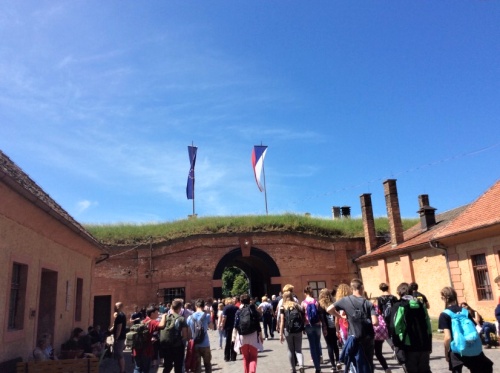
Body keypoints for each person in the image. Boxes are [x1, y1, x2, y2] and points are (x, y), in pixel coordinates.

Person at [328, 278, 378, 373]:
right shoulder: (368, 303)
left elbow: (329, 309)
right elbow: (375, 322)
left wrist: (339, 316)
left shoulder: (345, 300)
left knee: (356, 361)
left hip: (355, 336)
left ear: (352, 288)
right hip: (368, 337)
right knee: (369, 362)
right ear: (362, 288)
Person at [439, 287, 493, 373]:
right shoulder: (465, 311)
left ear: (444, 298)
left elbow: (448, 337)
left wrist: (446, 353)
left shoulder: (444, 314)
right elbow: (476, 328)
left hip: (456, 350)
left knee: (456, 370)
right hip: (470, 345)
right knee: (485, 366)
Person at [391, 282, 432, 373]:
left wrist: (397, 344)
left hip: (409, 344)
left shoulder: (399, 305)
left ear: (399, 293)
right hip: (424, 343)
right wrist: (429, 343)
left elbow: (395, 326)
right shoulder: (421, 305)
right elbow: (428, 325)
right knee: (425, 370)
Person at [233, 293, 264, 373]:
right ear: (249, 300)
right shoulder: (253, 310)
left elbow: (235, 325)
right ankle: (252, 370)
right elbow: (258, 325)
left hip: (242, 337)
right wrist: (261, 336)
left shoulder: (238, 311)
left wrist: (233, 337)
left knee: (245, 357)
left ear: (240, 301)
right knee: (253, 357)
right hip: (253, 335)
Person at [132, 306, 167, 373]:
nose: (158, 314)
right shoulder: (152, 321)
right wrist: (164, 316)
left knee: (137, 368)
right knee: (145, 369)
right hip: (146, 350)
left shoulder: (143, 321)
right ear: (152, 313)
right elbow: (161, 325)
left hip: (137, 348)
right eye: (157, 312)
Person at [280, 291, 305, 373]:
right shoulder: (297, 305)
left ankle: (293, 369)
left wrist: (281, 334)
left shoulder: (283, 307)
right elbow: (303, 315)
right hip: (298, 329)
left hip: (287, 330)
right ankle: (301, 365)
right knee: (298, 349)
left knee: (290, 349)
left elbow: (282, 321)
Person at [160, 300, 189, 373]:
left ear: (171, 307)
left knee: (167, 366)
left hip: (166, 345)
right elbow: (185, 335)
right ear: (179, 308)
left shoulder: (164, 317)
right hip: (177, 346)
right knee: (178, 367)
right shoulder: (181, 319)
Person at [318, 288, 341, 372]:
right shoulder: (333, 303)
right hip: (334, 326)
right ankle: (338, 361)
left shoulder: (320, 305)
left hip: (325, 328)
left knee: (329, 346)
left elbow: (320, 317)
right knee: (335, 345)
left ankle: (333, 366)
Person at [301, 286, 322, 373]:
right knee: (317, 344)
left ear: (305, 293)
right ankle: (319, 363)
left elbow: (302, 315)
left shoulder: (303, 303)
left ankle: (317, 367)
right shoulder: (316, 302)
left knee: (312, 345)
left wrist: (303, 327)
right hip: (317, 325)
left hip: (308, 325)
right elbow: (320, 313)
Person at [188, 299, 212, 373]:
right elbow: (212, 327)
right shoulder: (207, 316)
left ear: (195, 306)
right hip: (205, 344)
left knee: (197, 366)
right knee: (207, 365)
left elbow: (188, 332)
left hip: (195, 344)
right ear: (203, 306)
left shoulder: (190, 317)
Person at [371, 299, 391, 373]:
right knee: (378, 353)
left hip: (373, 333)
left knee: (370, 354)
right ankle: (386, 368)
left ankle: (371, 369)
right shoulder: (380, 309)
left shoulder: (370, 309)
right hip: (381, 333)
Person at [220, 297, 238, 362]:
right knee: (234, 341)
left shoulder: (226, 308)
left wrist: (222, 325)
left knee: (227, 342)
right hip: (235, 326)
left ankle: (227, 357)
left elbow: (224, 317)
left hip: (227, 326)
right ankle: (233, 357)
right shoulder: (236, 308)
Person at [113, 302, 127, 373]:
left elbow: (119, 327)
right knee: (119, 354)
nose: (114, 307)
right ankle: (122, 370)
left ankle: (122, 370)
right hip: (122, 336)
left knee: (119, 354)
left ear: (118, 307)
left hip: (119, 337)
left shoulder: (120, 316)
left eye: (115, 306)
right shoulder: (123, 315)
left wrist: (116, 338)